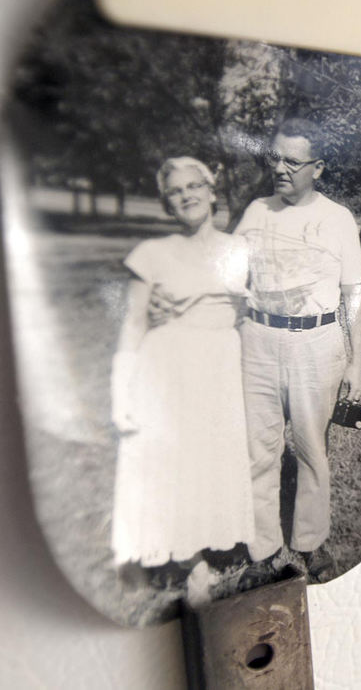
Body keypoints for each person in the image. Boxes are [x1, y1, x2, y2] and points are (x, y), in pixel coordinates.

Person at [110, 157, 254, 605]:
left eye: (195, 186)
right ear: (167, 203)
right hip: (169, 365)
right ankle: (188, 564)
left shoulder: (240, 249)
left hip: (220, 364)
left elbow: (248, 310)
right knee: (172, 460)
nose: (187, 195)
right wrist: (121, 392)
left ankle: (207, 543)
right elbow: (133, 323)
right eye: (176, 191)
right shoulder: (152, 254)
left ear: (213, 192)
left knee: (209, 457)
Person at [236, 118, 361, 583]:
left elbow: (353, 295)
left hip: (316, 344)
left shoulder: (337, 219)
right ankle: (262, 551)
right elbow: (231, 281)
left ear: (319, 168)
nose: (281, 168)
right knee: (259, 452)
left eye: (293, 160)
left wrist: (357, 364)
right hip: (258, 340)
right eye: (275, 158)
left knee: (312, 450)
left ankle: (310, 544)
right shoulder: (255, 212)